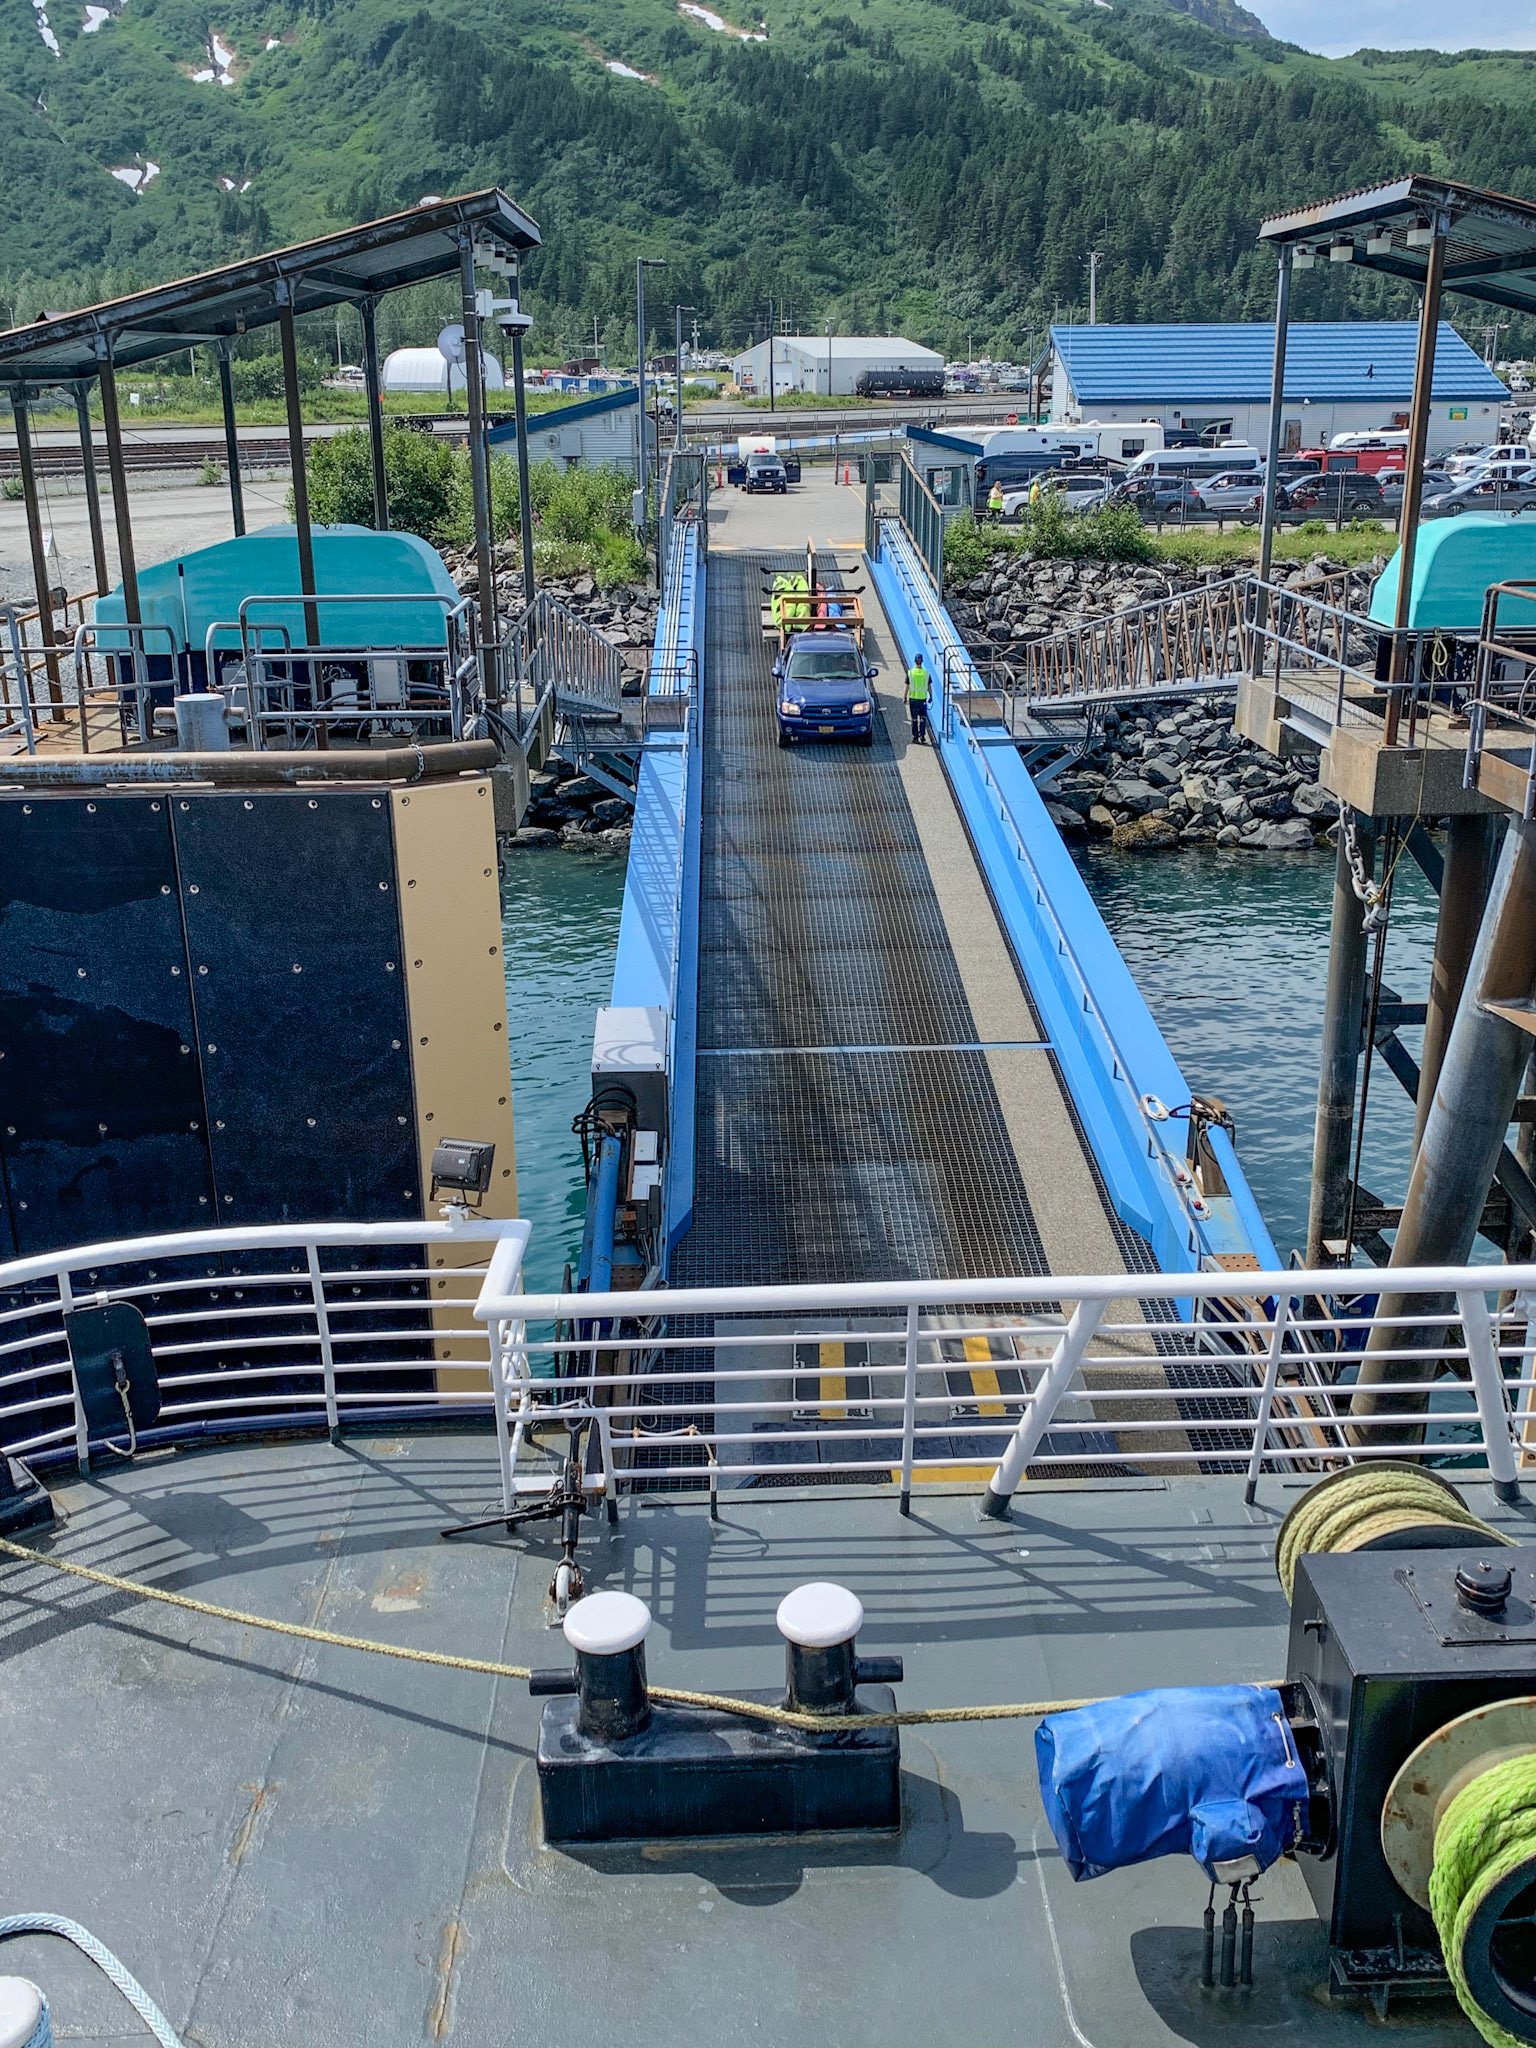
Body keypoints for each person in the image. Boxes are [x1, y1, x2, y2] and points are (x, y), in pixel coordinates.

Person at [905, 653, 930, 745]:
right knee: (923, 719)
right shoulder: (926, 673)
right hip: (923, 700)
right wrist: (931, 696)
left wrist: (904, 697)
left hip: (913, 700)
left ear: (915, 661)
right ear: (922, 662)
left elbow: (907, 686)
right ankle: (922, 736)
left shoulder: (911, 673)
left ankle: (915, 737)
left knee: (914, 719)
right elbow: (929, 686)